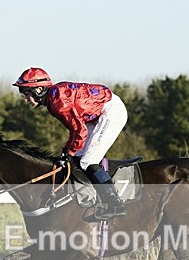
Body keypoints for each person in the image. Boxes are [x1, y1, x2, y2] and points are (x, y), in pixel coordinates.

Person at [12, 67, 128, 219]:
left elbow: (80, 131)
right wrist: (68, 152)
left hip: (110, 112)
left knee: (88, 161)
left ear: (39, 89)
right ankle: (90, 199)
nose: (25, 99)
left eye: (26, 94)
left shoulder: (58, 102)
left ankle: (115, 204)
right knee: (77, 158)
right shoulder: (54, 98)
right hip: (97, 115)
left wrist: (68, 151)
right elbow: (77, 130)